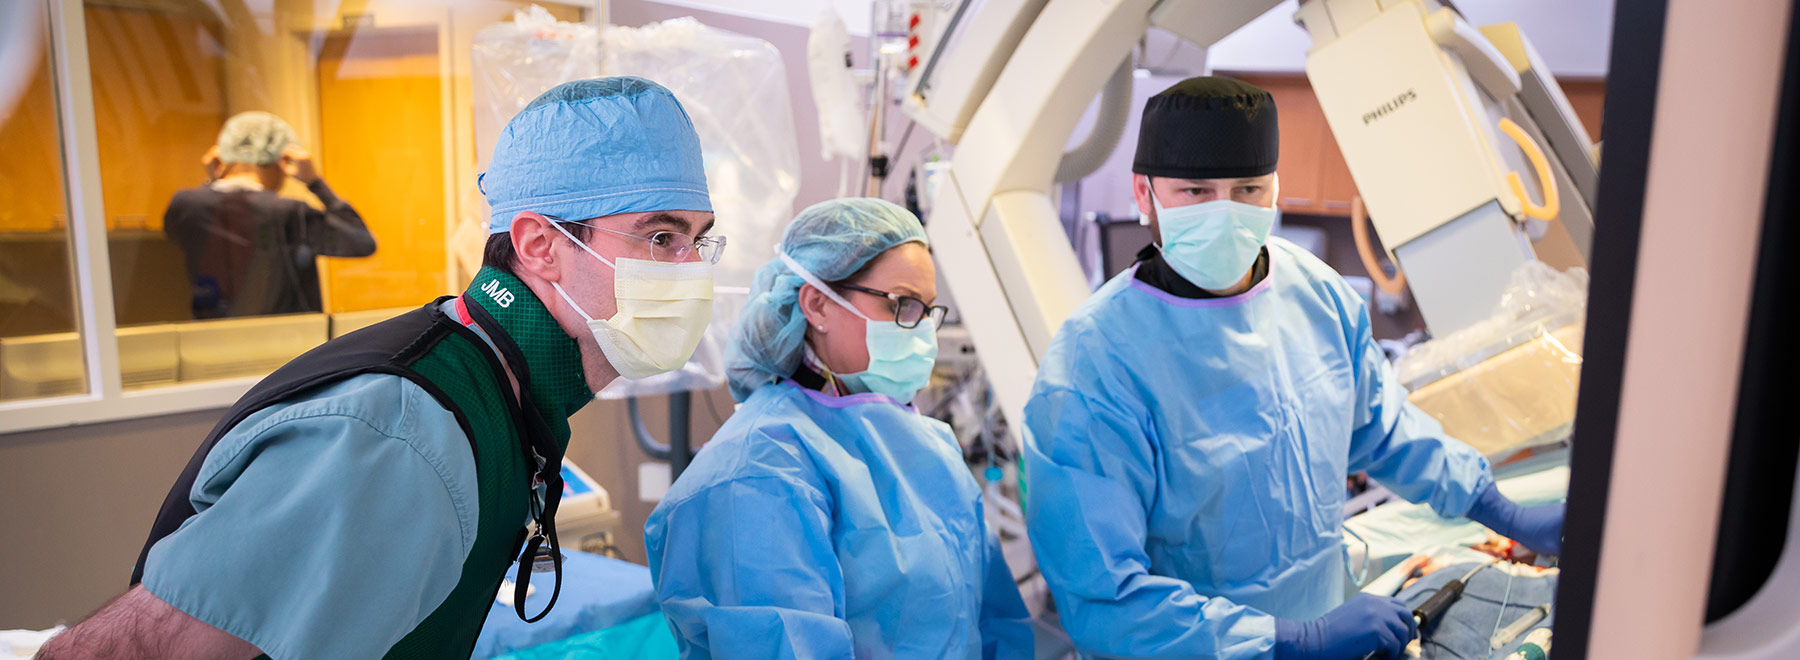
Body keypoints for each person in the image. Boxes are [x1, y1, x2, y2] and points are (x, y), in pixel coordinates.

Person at [36, 77, 721, 660]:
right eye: (661, 237)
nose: (691, 271)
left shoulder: (503, 392)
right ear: (540, 245)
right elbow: (146, 647)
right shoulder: (400, 433)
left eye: (699, 240)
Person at [1022, 77, 1566, 660]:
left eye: (1248, 188)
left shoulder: (1318, 296)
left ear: (1275, 188)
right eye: (1195, 192)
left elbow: (1383, 430)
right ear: (1144, 193)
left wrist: (1502, 510)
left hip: (1318, 621)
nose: (1224, 212)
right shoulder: (1095, 363)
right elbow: (1107, 599)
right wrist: (1288, 641)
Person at [644, 198, 1033, 659]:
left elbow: (994, 625)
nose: (921, 330)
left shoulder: (929, 446)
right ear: (817, 305)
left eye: (928, 310)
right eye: (903, 305)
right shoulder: (757, 471)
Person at [163, 111, 376, 319]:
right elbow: (361, 242)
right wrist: (315, 182)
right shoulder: (288, 213)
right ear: (282, 161)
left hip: (206, 343)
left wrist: (213, 182)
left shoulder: (184, 205)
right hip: (285, 343)